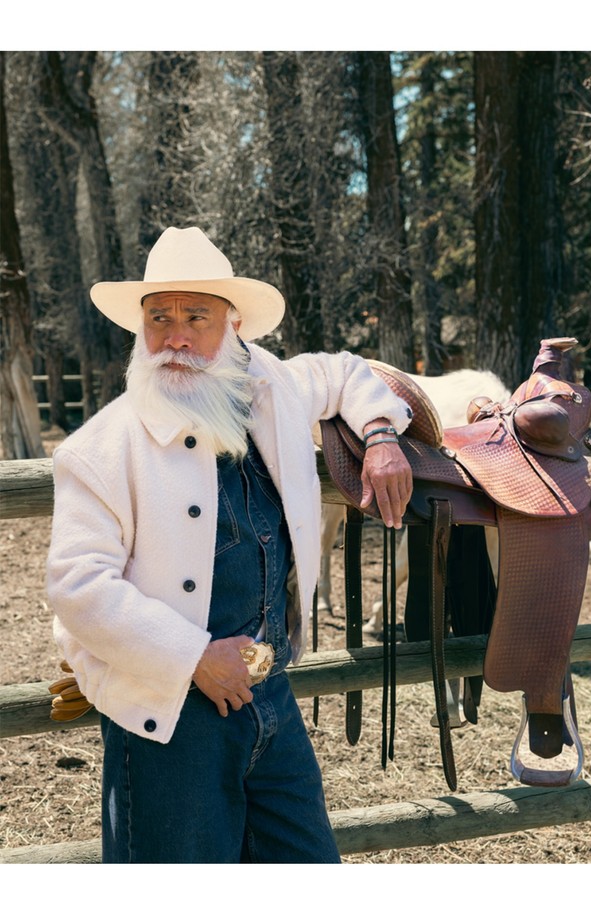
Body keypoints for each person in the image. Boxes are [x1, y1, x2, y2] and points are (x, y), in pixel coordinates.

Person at [46, 226, 413, 864]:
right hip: (169, 718)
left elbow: (345, 372)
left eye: (196, 316)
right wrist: (193, 656)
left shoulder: (272, 388)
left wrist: (380, 435)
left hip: (269, 697)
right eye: (159, 317)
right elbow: (78, 587)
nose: (176, 337)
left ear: (234, 326)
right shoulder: (99, 449)